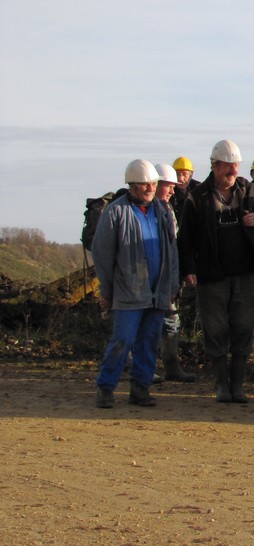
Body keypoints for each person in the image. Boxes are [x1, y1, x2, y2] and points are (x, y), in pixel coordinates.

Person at [178, 139, 254, 403]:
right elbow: (185, 237)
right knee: (215, 328)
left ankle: (237, 385)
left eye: (235, 166)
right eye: (228, 166)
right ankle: (221, 385)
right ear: (215, 166)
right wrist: (189, 269)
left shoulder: (250, 191)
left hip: (245, 273)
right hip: (211, 274)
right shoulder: (198, 196)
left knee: (243, 326)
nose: (233, 171)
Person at [92, 160, 179, 408]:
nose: (150, 188)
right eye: (144, 184)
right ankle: (106, 388)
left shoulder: (162, 212)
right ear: (131, 185)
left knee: (149, 342)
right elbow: (102, 254)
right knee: (123, 340)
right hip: (128, 291)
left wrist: (172, 286)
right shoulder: (115, 212)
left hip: (157, 290)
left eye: (152, 183)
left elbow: (172, 251)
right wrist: (107, 291)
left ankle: (140, 389)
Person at [152, 163, 196, 383]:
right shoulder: (147, 211)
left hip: (169, 278)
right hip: (152, 280)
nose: (172, 190)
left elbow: (175, 246)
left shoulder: (168, 209)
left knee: (171, 322)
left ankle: (171, 367)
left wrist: (179, 275)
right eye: (168, 186)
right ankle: (146, 367)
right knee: (150, 323)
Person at [170, 155, 198, 223]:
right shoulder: (168, 192)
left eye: (184, 174)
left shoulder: (199, 190)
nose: (180, 178)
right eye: (177, 174)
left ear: (191, 175)